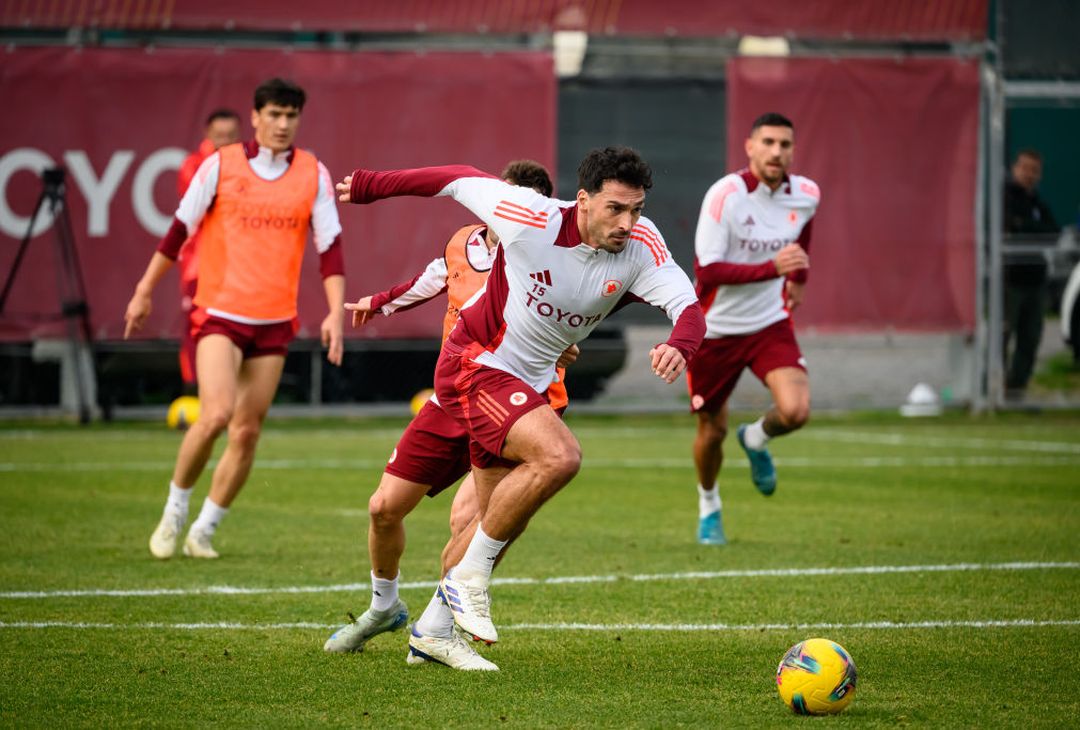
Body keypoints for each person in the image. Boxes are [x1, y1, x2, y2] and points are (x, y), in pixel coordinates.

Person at [337, 146, 706, 670]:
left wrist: (680, 345)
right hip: (474, 363)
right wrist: (374, 183)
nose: (628, 222)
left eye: (637, 209)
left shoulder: (642, 246)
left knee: (491, 518)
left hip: (529, 390)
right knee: (560, 457)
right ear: (582, 201)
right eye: (615, 209)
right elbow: (455, 177)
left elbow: (688, 307)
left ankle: (434, 633)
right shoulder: (529, 215)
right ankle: (462, 581)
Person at [323, 161, 574, 670]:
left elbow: (568, 320)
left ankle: (436, 632)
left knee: (472, 521)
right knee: (383, 508)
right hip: (452, 396)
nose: (511, 213)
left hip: (513, 404)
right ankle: (383, 607)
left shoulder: (545, 258)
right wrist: (383, 301)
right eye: (505, 200)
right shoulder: (465, 241)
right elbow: (435, 278)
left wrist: (565, 349)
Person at [124, 78, 346, 560]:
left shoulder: (312, 172)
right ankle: (175, 511)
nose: (283, 124)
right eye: (275, 114)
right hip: (220, 312)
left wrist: (334, 313)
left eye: (291, 116)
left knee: (247, 431)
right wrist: (143, 291)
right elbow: (178, 229)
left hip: (274, 321)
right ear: (256, 116)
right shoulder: (220, 165)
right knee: (216, 415)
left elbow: (329, 249)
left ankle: (204, 529)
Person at [688, 112, 818, 545]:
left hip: (769, 323)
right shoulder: (725, 196)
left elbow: (802, 233)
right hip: (714, 329)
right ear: (750, 147)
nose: (776, 152)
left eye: (784, 144)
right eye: (768, 142)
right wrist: (772, 268)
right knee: (712, 430)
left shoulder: (806, 195)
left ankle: (757, 438)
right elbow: (706, 270)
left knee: (796, 411)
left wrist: (797, 279)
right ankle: (709, 507)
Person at [175, 109, 242, 388]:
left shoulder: (245, 165)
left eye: (230, 136)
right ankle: (196, 390)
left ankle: (232, 391)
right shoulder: (194, 166)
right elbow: (209, 206)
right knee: (199, 331)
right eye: (219, 136)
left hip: (238, 267)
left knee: (237, 329)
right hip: (200, 268)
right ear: (208, 135)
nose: (224, 142)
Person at [1003, 148, 1059, 399]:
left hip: (1036, 280)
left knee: (1030, 338)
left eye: (1034, 170)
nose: (1029, 174)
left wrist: (1024, 226)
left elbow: (1053, 232)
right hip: (1010, 279)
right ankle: (993, 388)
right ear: (1015, 168)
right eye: (1025, 168)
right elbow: (1008, 225)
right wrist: (1026, 228)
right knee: (1003, 335)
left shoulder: (1038, 203)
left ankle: (1017, 390)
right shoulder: (1005, 198)